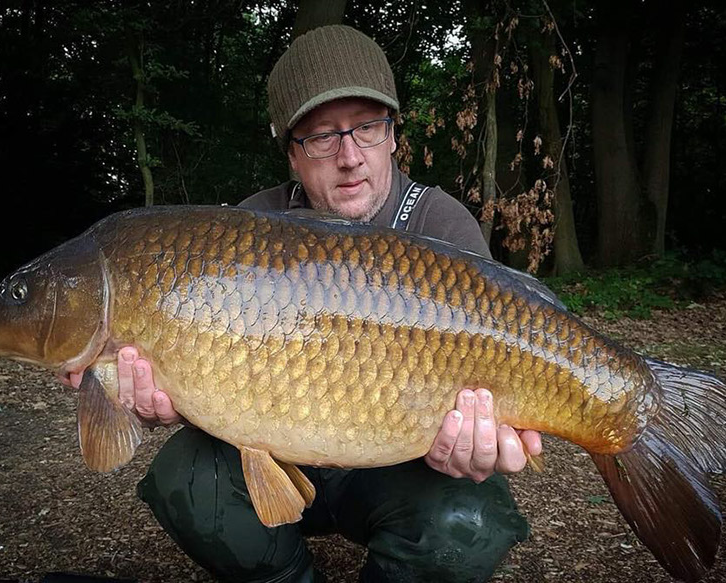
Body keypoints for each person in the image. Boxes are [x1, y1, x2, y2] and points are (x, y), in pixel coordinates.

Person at [69, 25, 542, 583]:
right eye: (322, 136)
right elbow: (188, 376)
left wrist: (475, 447)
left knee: (471, 518)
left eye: (366, 128)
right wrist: (158, 402)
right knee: (188, 477)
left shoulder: (440, 226)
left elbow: (493, 389)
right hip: (279, 461)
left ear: (393, 135)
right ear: (293, 153)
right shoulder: (246, 231)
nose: (349, 156)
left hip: (397, 469)